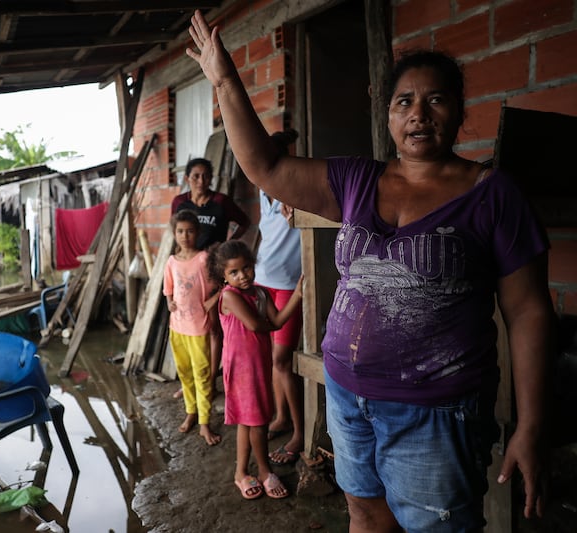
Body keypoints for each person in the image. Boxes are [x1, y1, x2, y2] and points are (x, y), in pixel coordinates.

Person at [187, 10, 554, 532]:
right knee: (363, 512)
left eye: (436, 100)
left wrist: (530, 426)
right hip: (347, 397)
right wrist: (224, 79)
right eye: (405, 101)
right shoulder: (359, 178)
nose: (419, 114)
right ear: (387, 113)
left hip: (434, 410)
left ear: (459, 111)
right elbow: (266, 167)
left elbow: (528, 312)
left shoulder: (491, 195)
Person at [207, 239, 303, 500]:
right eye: (234, 272)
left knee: (248, 421)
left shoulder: (260, 293)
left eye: (247, 268)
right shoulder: (229, 296)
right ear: (223, 276)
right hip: (241, 370)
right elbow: (256, 325)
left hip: (259, 367)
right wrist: (270, 324)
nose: (243, 276)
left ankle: (240, 473)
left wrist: (297, 295)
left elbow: (279, 320)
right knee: (258, 422)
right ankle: (264, 471)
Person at [172, 157, 252, 397]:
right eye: (195, 176)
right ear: (187, 178)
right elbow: (175, 229)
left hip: (213, 268)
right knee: (186, 324)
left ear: (212, 178)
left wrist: (225, 243)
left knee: (213, 326)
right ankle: (188, 383)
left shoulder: (221, 202)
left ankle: (211, 383)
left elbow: (245, 222)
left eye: (206, 176)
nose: (201, 181)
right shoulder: (179, 202)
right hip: (187, 270)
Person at [254, 129, 305, 465]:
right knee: (273, 358)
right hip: (262, 281)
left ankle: (300, 432)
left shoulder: (300, 189)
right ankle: (282, 417)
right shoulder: (263, 188)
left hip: (288, 284)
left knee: (282, 360)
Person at [163, 210, 221, 446]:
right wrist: (169, 301)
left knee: (203, 375)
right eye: (180, 231)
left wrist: (213, 299)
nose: (185, 235)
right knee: (185, 374)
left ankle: (204, 422)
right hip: (177, 327)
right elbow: (168, 287)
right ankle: (191, 412)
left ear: (197, 233)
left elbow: (223, 282)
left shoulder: (204, 259)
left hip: (198, 328)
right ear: (174, 234)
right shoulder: (171, 261)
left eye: (189, 231)